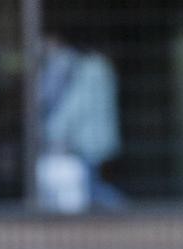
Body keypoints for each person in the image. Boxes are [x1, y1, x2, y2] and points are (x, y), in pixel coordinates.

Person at [39, 33, 124, 210]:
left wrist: (54, 131)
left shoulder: (90, 70)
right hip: (94, 137)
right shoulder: (99, 68)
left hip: (89, 140)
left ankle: (126, 212)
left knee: (90, 187)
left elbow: (76, 104)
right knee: (91, 184)